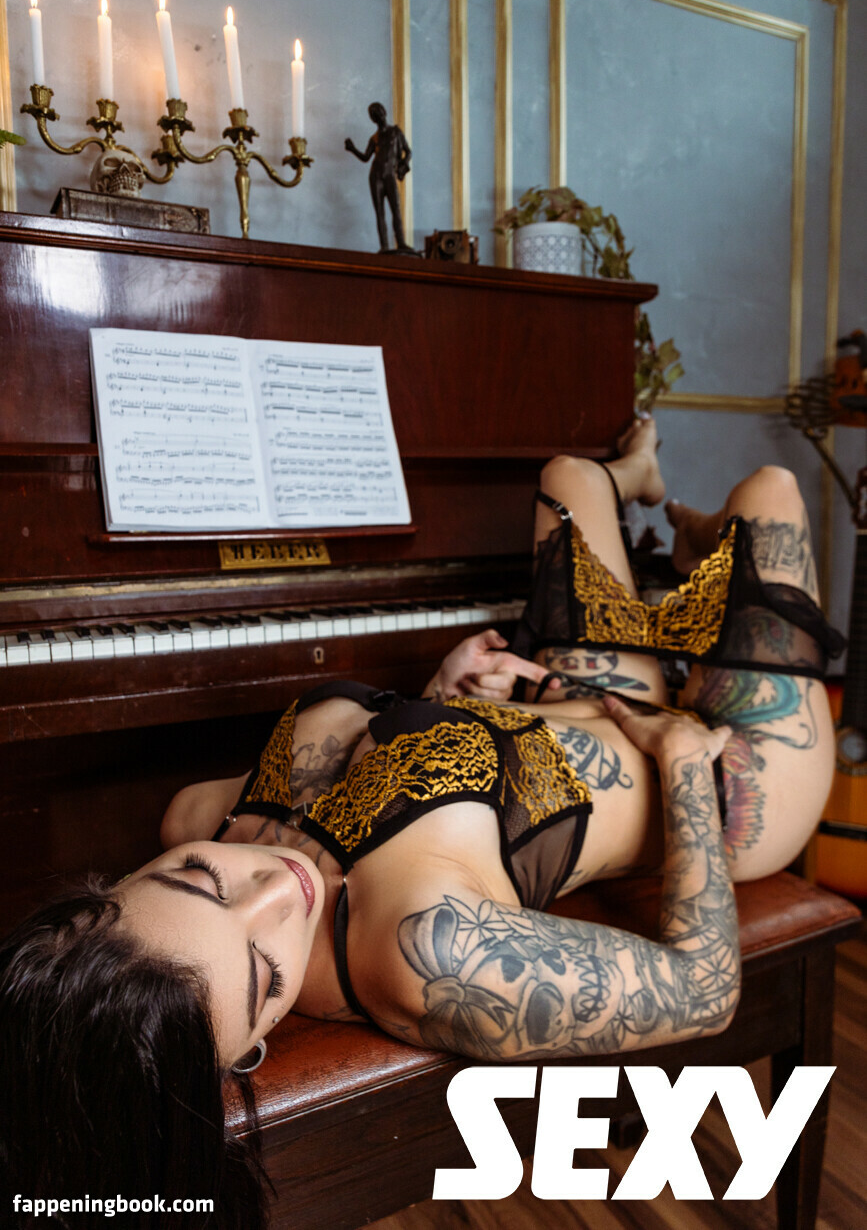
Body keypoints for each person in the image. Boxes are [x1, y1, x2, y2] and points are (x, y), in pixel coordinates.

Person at [0, 417, 844, 1227]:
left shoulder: (197, 813)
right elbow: (703, 989)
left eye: (201, 878)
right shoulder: (424, 954)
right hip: (728, 779)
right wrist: (684, 756)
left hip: (588, 695)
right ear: (250, 1047)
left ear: (113, 886)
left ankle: (661, 502)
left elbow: (390, 790)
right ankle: (699, 540)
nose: (283, 888)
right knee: (769, 490)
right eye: (265, 975)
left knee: (569, 474)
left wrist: (441, 699)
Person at [345, 102, 416, 254]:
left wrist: (404, 164)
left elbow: (408, 151)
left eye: (379, 112)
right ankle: (384, 246)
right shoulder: (374, 138)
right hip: (375, 176)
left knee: (396, 209)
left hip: (390, 175)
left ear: (384, 112)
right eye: (374, 114)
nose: (378, 115)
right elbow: (366, 157)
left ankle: (401, 242)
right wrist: (352, 149)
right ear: (373, 119)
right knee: (380, 212)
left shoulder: (395, 132)